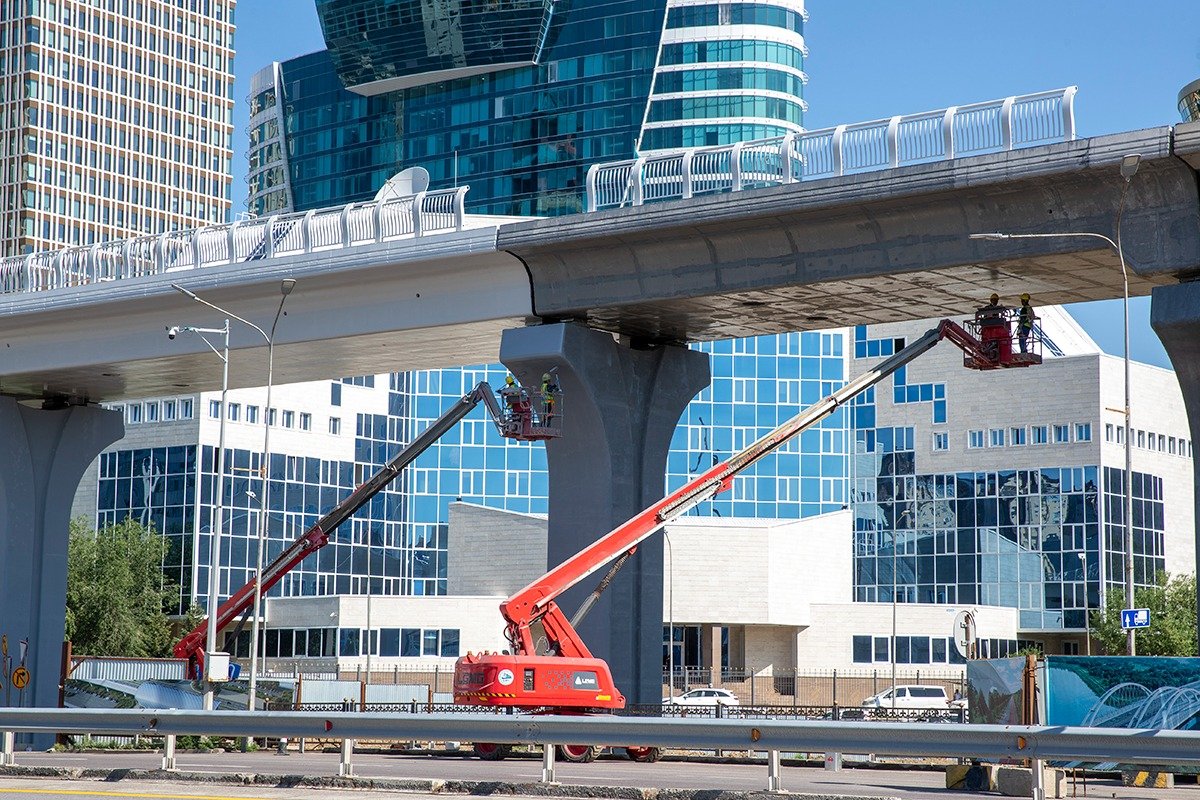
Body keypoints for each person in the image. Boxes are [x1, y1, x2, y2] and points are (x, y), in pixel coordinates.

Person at [976, 292, 1011, 363]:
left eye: (996, 300)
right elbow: (985, 316)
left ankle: (992, 348)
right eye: (994, 300)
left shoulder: (997, 308)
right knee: (989, 342)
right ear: (991, 300)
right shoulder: (987, 308)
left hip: (993, 327)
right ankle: (990, 348)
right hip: (989, 327)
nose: (995, 301)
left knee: (992, 342)